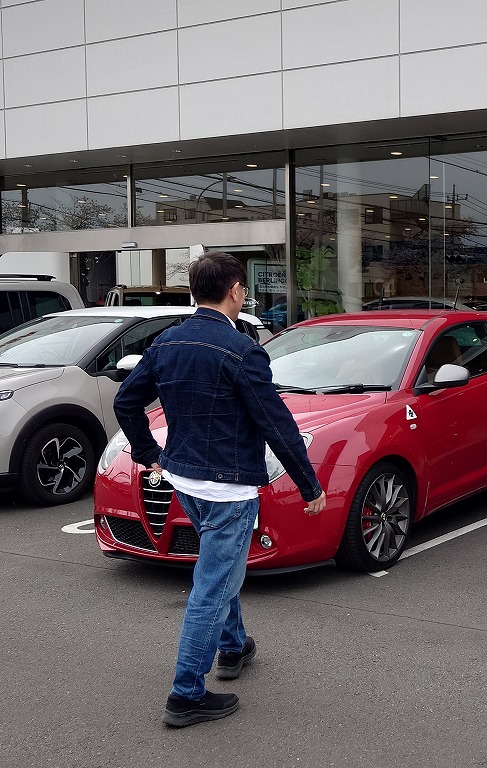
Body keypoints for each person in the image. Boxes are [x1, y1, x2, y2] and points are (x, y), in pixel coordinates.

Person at [114, 251, 327, 728]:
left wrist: (148, 453)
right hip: (228, 489)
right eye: (243, 288)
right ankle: (186, 694)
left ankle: (232, 647)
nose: (244, 294)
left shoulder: (167, 341)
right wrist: (309, 484)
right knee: (212, 586)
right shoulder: (242, 350)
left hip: (183, 479)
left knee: (218, 568)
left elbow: (126, 401)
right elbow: (276, 423)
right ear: (235, 291)